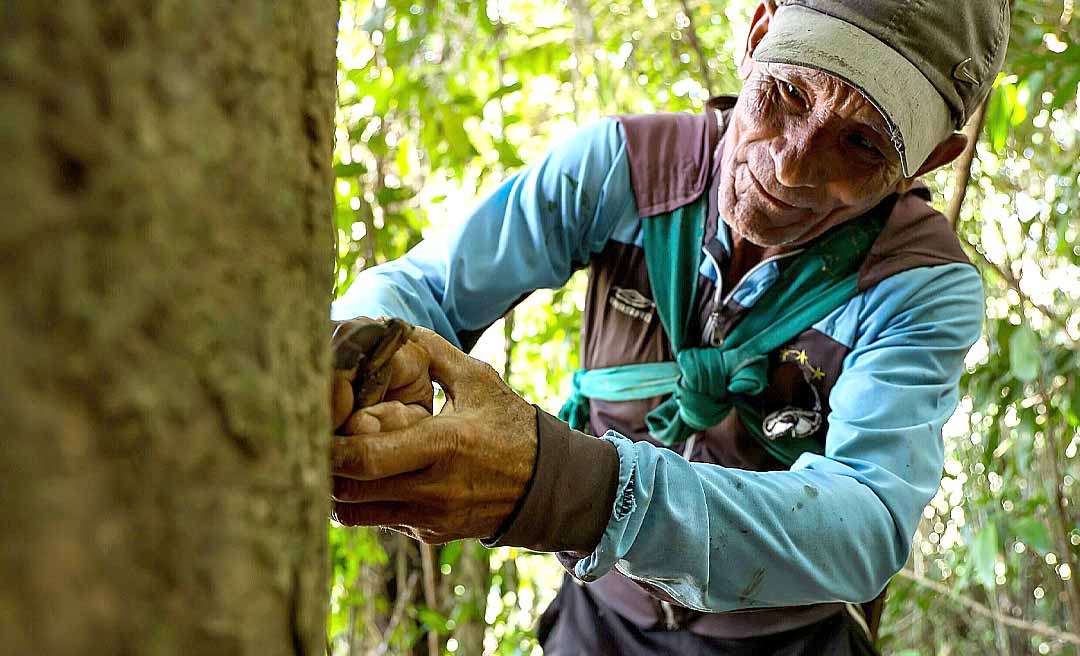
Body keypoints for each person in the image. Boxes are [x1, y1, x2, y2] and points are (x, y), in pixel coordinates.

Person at [329, 1, 1011, 653]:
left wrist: (570, 488)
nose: (792, 165)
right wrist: (365, 352)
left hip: (781, 641)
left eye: (862, 144)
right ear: (757, 34)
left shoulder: (915, 284)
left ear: (926, 162)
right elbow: (431, 287)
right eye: (789, 95)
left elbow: (866, 520)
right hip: (599, 622)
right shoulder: (624, 168)